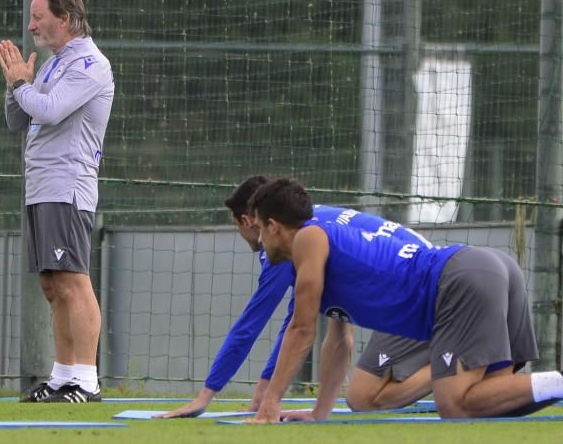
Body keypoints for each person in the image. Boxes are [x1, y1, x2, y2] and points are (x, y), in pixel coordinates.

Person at [247, 176, 563, 422]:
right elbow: (339, 341)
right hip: (488, 268)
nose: (260, 241)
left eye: (260, 229)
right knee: (489, 405)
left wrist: (270, 404)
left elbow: (301, 330)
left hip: (461, 279)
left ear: (274, 226)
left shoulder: (308, 238)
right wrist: (320, 412)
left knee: (454, 404)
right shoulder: (324, 245)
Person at [161, 175, 433, 419]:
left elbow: (256, 325)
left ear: (252, 221)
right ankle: (456, 359)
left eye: (240, 227)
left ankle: (455, 360)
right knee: (344, 343)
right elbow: (310, 324)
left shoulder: (295, 241)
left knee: (363, 397)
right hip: (428, 275)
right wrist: (269, 396)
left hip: (418, 290)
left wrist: (206, 395)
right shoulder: (314, 222)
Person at [0, 0, 114, 403]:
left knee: (73, 281)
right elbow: (20, 121)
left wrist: (23, 87)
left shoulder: (89, 65)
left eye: (39, 17)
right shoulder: (51, 64)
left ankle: (86, 379)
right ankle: (63, 376)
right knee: (52, 283)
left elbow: (48, 109)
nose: (31, 26)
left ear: (65, 19)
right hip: (42, 187)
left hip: (68, 186)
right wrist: (17, 85)